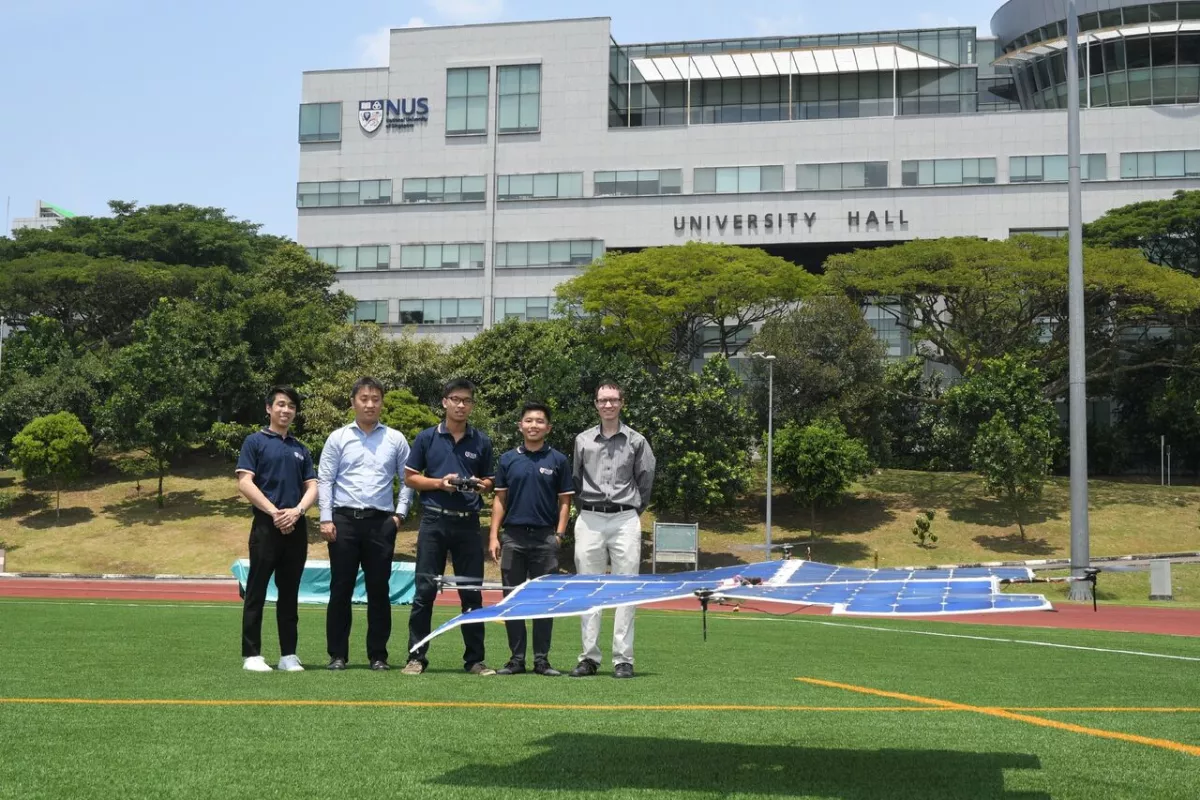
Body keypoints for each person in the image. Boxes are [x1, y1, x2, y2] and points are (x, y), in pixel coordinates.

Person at [317, 376, 414, 671]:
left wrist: (399, 515)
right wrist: (325, 518)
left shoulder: (395, 439)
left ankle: (378, 655)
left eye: (375, 399)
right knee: (341, 588)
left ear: (382, 403)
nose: (370, 404)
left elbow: (407, 479)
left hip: (381, 522)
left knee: (379, 590)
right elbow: (325, 479)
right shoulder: (338, 438)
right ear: (353, 403)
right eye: (364, 399)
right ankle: (337, 655)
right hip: (343, 521)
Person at [403, 378, 496, 676]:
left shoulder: (481, 441)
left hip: (468, 523)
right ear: (444, 402)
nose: (461, 405)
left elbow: (490, 480)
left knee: (472, 593)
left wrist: (481, 485)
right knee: (424, 592)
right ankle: (416, 657)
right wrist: (439, 484)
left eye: (467, 400)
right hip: (434, 519)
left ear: (472, 405)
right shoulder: (426, 438)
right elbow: (410, 477)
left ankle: (475, 660)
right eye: (455, 399)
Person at [570, 380, 656, 679]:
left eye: (613, 400)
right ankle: (589, 658)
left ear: (622, 403)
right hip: (590, 518)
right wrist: (586, 509)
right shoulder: (582, 440)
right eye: (602, 400)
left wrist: (632, 510)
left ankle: (623, 659)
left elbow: (645, 479)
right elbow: (575, 479)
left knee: (626, 588)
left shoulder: (637, 441)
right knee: (588, 589)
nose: (608, 404)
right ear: (596, 404)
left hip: (624, 518)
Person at [235, 385, 319, 672]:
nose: (286, 410)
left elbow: (312, 486)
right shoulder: (254, 442)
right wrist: (274, 512)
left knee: (290, 593)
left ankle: (288, 655)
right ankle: (252, 655)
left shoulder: (300, 449)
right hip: (266, 527)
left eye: (291, 406)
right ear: (269, 408)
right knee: (256, 590)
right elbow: (245, 482)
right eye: (281, 404)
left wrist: (297, 511)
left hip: (296, 527)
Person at [488, 402, 574, 677]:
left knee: (544, 601)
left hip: (545, 539)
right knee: (512, 599)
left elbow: (565, 502)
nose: (533, 425)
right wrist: (494, 535)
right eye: (528, 420)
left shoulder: (558, 460)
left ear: (548, 428)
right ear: (520, 426)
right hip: (513, 537)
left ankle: (541, 661)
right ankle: (516, 660)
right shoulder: (507, 459)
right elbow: (500, 499)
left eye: (539, 421)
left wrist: (559, 535)